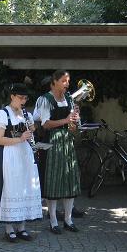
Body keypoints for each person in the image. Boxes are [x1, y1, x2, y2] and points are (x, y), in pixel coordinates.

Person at [0, 83, 42, 242]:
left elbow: (31, 131)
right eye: (20, 98)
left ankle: (22, 227)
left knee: (25, 188)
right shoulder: (2, 113)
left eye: (25, 98)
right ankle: (9, 229)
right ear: (12, 96)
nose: (23, 101)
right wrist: (19, 138)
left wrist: (31, 128)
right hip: (10, 155)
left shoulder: (25, 114)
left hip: (25, 154)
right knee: (11, 189)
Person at [34, 70, 81, 234]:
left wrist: (75, 121)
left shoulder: (69, 98)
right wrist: (66, 120)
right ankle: (53, 220)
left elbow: (73, 126)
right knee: (52, 181)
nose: (67, 84)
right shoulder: (44, 99)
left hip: (67, 141)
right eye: (63, 81)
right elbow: (45, 123)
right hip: (52, 141)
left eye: (68, 81)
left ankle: (68, 219)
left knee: (69, 179)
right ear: (54, 82)